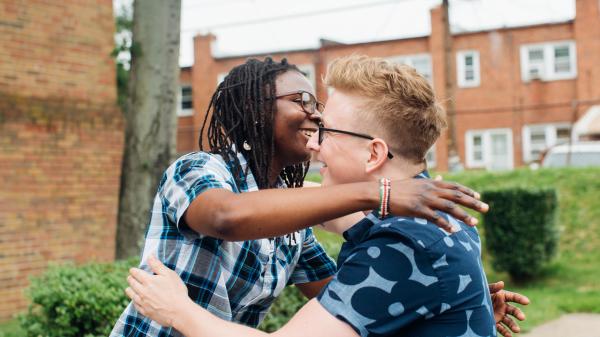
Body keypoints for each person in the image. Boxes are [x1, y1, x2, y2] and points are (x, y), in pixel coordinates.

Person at [125, 55, 530, 337]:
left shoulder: (312, 219)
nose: (315, 119)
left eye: (322, 114)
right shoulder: (198, 170)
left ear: (373, 153)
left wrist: (449, 306)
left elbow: (349, 299)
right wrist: (381, 192)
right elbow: (227, 217)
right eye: (301, 101)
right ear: (253, 109)